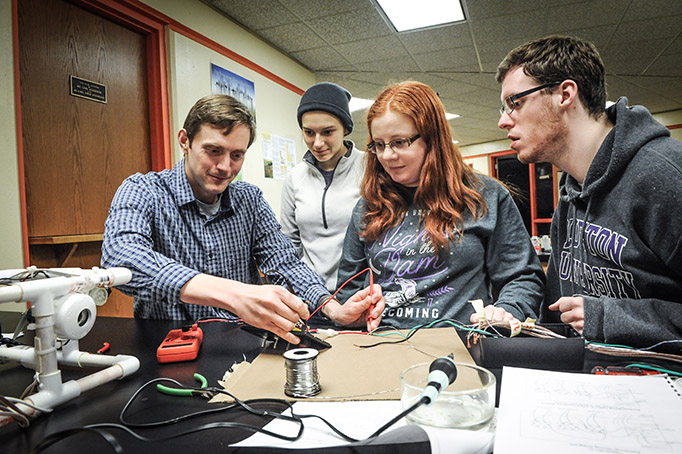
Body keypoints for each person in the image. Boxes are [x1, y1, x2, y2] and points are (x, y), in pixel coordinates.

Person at [101, 94, 384, 344]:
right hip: (165, 344)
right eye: (213, 151)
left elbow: (284, 262)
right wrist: (232, 294)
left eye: (237, 155)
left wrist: (332, 308)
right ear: (185, 141)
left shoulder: (249, 200)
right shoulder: (143, 190)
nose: (224, 167)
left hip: (237, 345)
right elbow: (120, 258)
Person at [496, 35, 682, 348]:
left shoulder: (665, 175)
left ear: (565, 94)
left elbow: (596, 315)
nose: (503, 120)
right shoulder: (570, 186)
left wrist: (609, 317)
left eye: (515, 103)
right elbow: (557, 306)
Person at [335, 81, 545, 329]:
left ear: (432, 139)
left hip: (463, 346)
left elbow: (523, 277)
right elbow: (348, 289)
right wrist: (352, 309)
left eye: (400, 142)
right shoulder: (367, 206)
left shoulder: (486, 196)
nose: (388, 156)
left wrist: (507, 309)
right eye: (379, 145)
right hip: (385, 345)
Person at [281, 82, 365, 292]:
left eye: (327, 132)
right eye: (309, 132)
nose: (317, 143)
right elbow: (289, 243)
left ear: (346, 129)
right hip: (310, 296)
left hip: (359, 295)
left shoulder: (371, 168)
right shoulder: (295, 177)